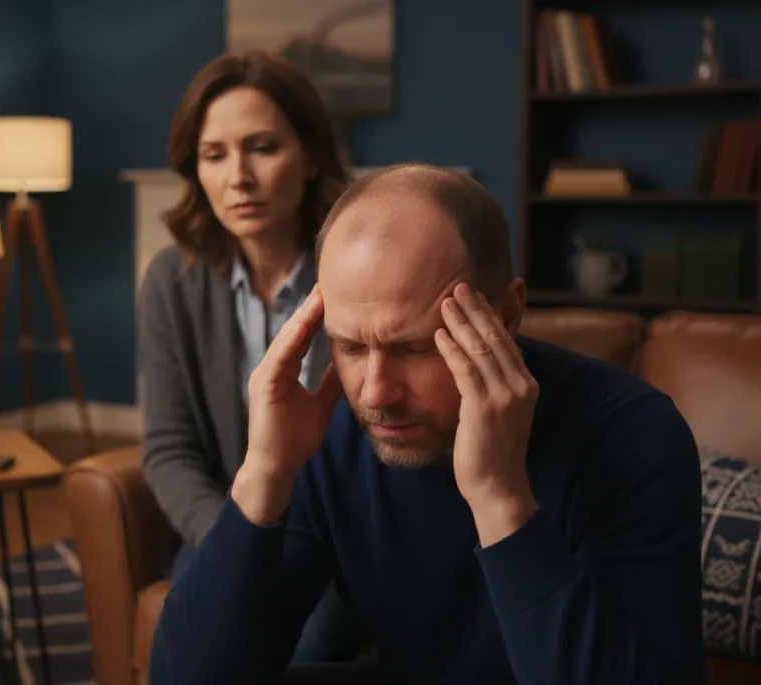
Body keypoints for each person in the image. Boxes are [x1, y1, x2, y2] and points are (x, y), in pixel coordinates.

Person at [148, 163, 706, 684]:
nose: (375, 393)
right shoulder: (336, 433)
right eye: (348, 346)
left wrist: (500, 499)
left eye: (413, 348)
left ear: (506, 316)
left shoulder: (634, 435)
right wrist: (263, 472)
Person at [137, 50, 365, 664]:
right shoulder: (170, 280)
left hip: (342, 535)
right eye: (215, 155)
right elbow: (168, 449)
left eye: (262, 147)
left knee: (311, 642)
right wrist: (238, 543)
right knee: (198, 642)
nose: (238, 176)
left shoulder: (361, 271)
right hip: (227, 524)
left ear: (311, 156)